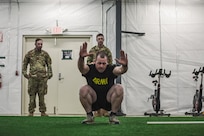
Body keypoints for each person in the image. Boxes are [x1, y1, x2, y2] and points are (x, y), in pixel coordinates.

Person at [78, 42, 128, 124]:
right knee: (83, 89)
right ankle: (89, 116)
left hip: (108, 100)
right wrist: (81, 59)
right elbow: (81, 68)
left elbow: (121, 70)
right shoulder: (90, 68)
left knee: (119, 88)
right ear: (94, 61)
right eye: (99, 63)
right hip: (93, 100)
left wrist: (124, 66)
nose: (101, 66)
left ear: (107, 63)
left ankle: (113, 116)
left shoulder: (111, 69)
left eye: (104, 63)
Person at [22, 38, 53, 116]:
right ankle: (31, 112)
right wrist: (25, 74)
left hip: (42, 78)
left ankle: (43, 111)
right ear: (35, 44)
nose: (40, 45)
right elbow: (24, 64)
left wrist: (49, 74)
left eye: (41, 44)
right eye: (38, 44)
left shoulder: (45, 54)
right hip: (33, 78)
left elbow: (49, 64)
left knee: (42, 95)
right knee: (32, 95)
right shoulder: (29, 54)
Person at [87, 33, 113, 117]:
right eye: (99, 39)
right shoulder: (92, 50)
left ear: (104, 39)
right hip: (94, 73)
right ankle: (96, 111)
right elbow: (88, 62)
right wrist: (93, 63)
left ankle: (105, 110)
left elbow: (110, 63)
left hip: (105, 73)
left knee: (105, 90)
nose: (100, 40)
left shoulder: (107, 50)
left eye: (102, 38)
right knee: (94, 90)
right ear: (96, 40)